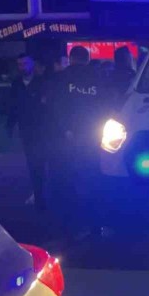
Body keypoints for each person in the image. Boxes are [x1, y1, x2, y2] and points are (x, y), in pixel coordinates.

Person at [47, 46, 109, 233]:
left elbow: (55, 106)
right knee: (93, 175)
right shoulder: (98, 78)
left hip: (67, 137)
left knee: (68, 177)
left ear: (71, 58)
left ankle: (70, 223)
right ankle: (94, 222)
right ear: (87, 59)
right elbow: (106, 106)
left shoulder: (61, 78)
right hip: (93, 135)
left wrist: (65, 129)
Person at [6, 53, 50, 210]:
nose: (22, 67)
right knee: (33, 163)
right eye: (19, 64)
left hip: (43, 130)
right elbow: (13, 106)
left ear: (32, 64)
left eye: (25, 63)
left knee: (44, 161)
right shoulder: (16, 84)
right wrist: (10, 125)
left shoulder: (43, 82)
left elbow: (49, 107)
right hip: (27, 131)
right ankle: (39, 195)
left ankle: (43, 193)